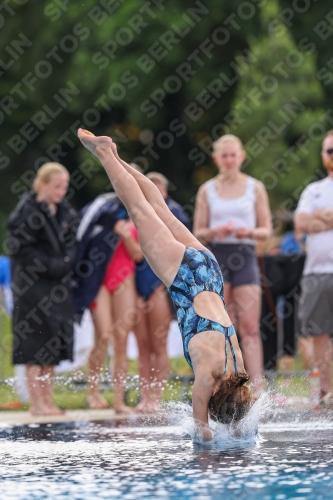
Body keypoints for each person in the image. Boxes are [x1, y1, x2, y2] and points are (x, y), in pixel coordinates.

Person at [77, 128, 255, 440]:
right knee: (139, 209)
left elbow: (242, 411)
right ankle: (106, 155)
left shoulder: (239, 370)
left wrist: (241, 429)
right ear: (217, 396)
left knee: (158, 207)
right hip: (183, 277)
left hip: (208, 269)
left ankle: (117, 156)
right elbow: (202, 434)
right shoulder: (206, 376)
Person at [193, 134, 272, 393]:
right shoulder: (207, 190)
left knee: (250, 326)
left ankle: (258, 387)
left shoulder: (255, 187)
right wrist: (215, 230)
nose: (229, 160)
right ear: (216, 159)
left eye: (233, 155)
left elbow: (266, 230)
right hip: (217, 257)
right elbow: (197, 232)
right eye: (224, 156)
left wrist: (247, 232)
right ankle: (227, 383)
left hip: (246, 255)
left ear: (241, 156)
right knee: (224, 326)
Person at [7, 162, 78, 416]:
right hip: (31, 289)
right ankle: (36, 403)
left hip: (56, 289)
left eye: (65, 187)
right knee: (33, 345)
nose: (61, 191)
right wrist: (54, 265)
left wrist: (65, 263)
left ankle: (48, 400)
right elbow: (21, 250)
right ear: (43, 184)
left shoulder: (64, 212)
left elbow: (72, 244)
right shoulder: (26, 212)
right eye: (57, 186)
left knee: (51, 346)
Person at [73, 194, 142, 412]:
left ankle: (119, 400)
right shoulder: (104, 210)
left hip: (124, 278)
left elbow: (139, 255)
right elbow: (83, 237)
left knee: (121, 340)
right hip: (100, 280)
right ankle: (93, 392)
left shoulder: (140, 215)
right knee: (103, 336)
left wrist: (125, 235)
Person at [134, 172, 191, 412]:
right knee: (142, 345)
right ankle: (144, 396)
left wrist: (164, 283)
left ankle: (156, 397)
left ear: (164, 193)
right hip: (137, 283)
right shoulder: (135, 211)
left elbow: (183, 249)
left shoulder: (174, 213)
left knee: (159, 344)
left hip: (161, 284)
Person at [294, 129, 333, 407]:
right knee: (318, 332)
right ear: (322, 156)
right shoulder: (313, 190)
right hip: (316, 270)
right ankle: (326, 389)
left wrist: (318, 219)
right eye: (329, 150)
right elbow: (300, 225)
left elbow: (311, 222)